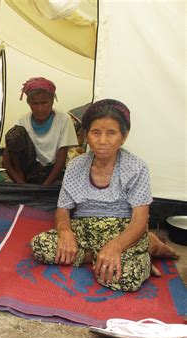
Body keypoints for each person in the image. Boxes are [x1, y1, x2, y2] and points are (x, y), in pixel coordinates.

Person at [31, 99, 178, 291]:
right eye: (95, 132)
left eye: (111, 133)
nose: (102, 141)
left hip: (122, 232)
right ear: (86, 135)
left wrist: (115, 247)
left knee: (125, 277)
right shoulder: (76, 165)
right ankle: (113, 257)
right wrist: (65, 233)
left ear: (123, 137)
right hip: (84, 229)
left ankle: (136, 254)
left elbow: (140, 221)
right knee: (40, 246)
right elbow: (62, 210)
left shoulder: (135, 167)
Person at [2, 77, 79, 185]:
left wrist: (44, 187)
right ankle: (22, 177)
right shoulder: (23, 121)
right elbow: (6, 161)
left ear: (52, 102)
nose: (40, 108)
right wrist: (21, 184)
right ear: (29, 104)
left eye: (44, 103)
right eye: (35, 104)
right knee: (15, 134)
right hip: (29, 171)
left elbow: (61, 159)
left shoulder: (63, 119)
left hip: (52, 171)